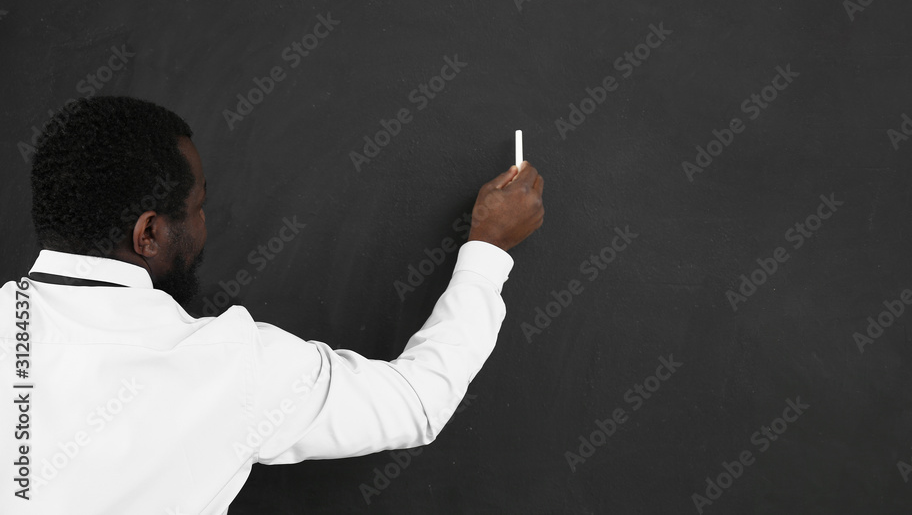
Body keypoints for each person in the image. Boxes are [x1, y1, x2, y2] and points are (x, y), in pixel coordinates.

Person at [1, 96, 544, 514]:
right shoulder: (230, 364)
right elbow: (418, 403)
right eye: (198, 207)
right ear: (148, 233)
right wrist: (487, 249)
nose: (205, 223)